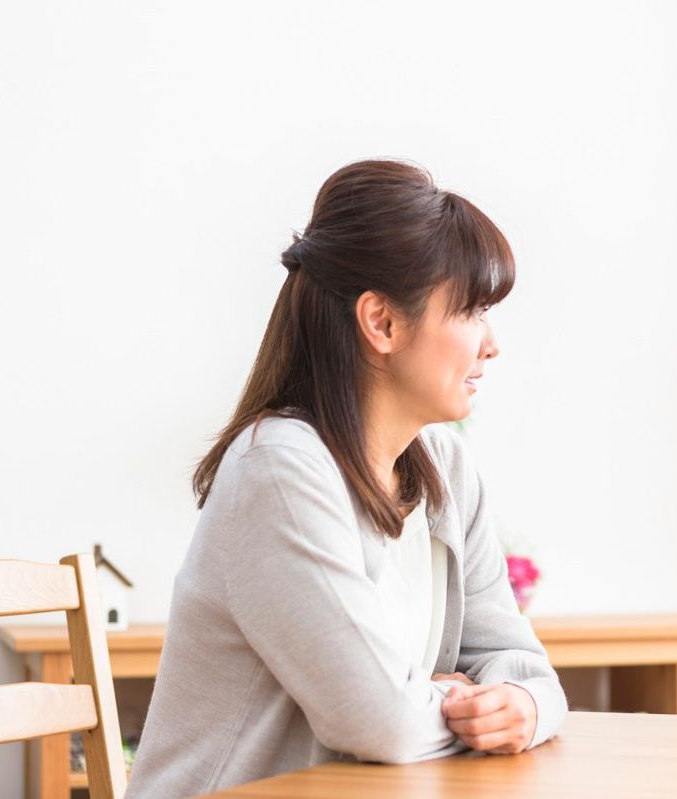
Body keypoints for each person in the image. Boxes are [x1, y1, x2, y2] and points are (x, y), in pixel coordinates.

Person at [128, 160, 566, 798]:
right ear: (382, 323)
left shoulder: (445, 467)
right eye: (472, 311)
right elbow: (381, 722)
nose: (491, 343)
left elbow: (529, 672)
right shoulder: (277, 469)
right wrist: (453, 699)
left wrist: (520, 709)